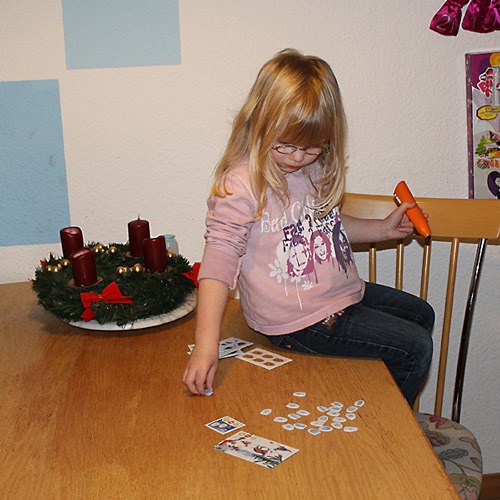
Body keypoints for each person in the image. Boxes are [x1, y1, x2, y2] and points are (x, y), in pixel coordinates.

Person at [182, 49, 434, 406]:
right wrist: (206, 345)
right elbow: (219, 259)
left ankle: (371, 397)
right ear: (259, 123)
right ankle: (384, 422)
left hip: (338, 296)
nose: (297, 157)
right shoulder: (241, 184)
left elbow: (325, 225)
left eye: (312, 147)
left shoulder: (311, 169)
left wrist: (381, 229)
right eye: (285, 144)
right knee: (415, 348)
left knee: (422, 315)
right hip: (297, 319)